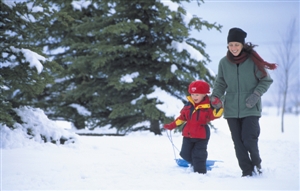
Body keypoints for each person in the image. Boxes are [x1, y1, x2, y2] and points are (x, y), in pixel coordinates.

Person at [210, 27, 277, 177]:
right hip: (231, 108)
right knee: (238, 142)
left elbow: (266, 80)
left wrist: (256, 95)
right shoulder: (224, 63)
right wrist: (215, 97)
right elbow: (220, 83)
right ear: (227, 45)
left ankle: (257, 164)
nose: (234, 48)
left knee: (249, 139)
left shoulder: (252, 61)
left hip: (250, 106)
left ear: (242, 45)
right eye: (231, 45)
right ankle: (246, 172)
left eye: (237, 45)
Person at [164, 80, 223, 174]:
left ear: (204, 94)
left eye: (197, 95)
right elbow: (182, 118)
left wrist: (219, 107)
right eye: (192, 94)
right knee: (185, 153)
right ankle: (196, 163)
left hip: (201, 134)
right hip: (188, 134)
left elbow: (215, 115)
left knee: (199, 154)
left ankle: (200, 172)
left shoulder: (208, 106)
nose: (194, 97)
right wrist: (172, 125)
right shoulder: (188, 105)